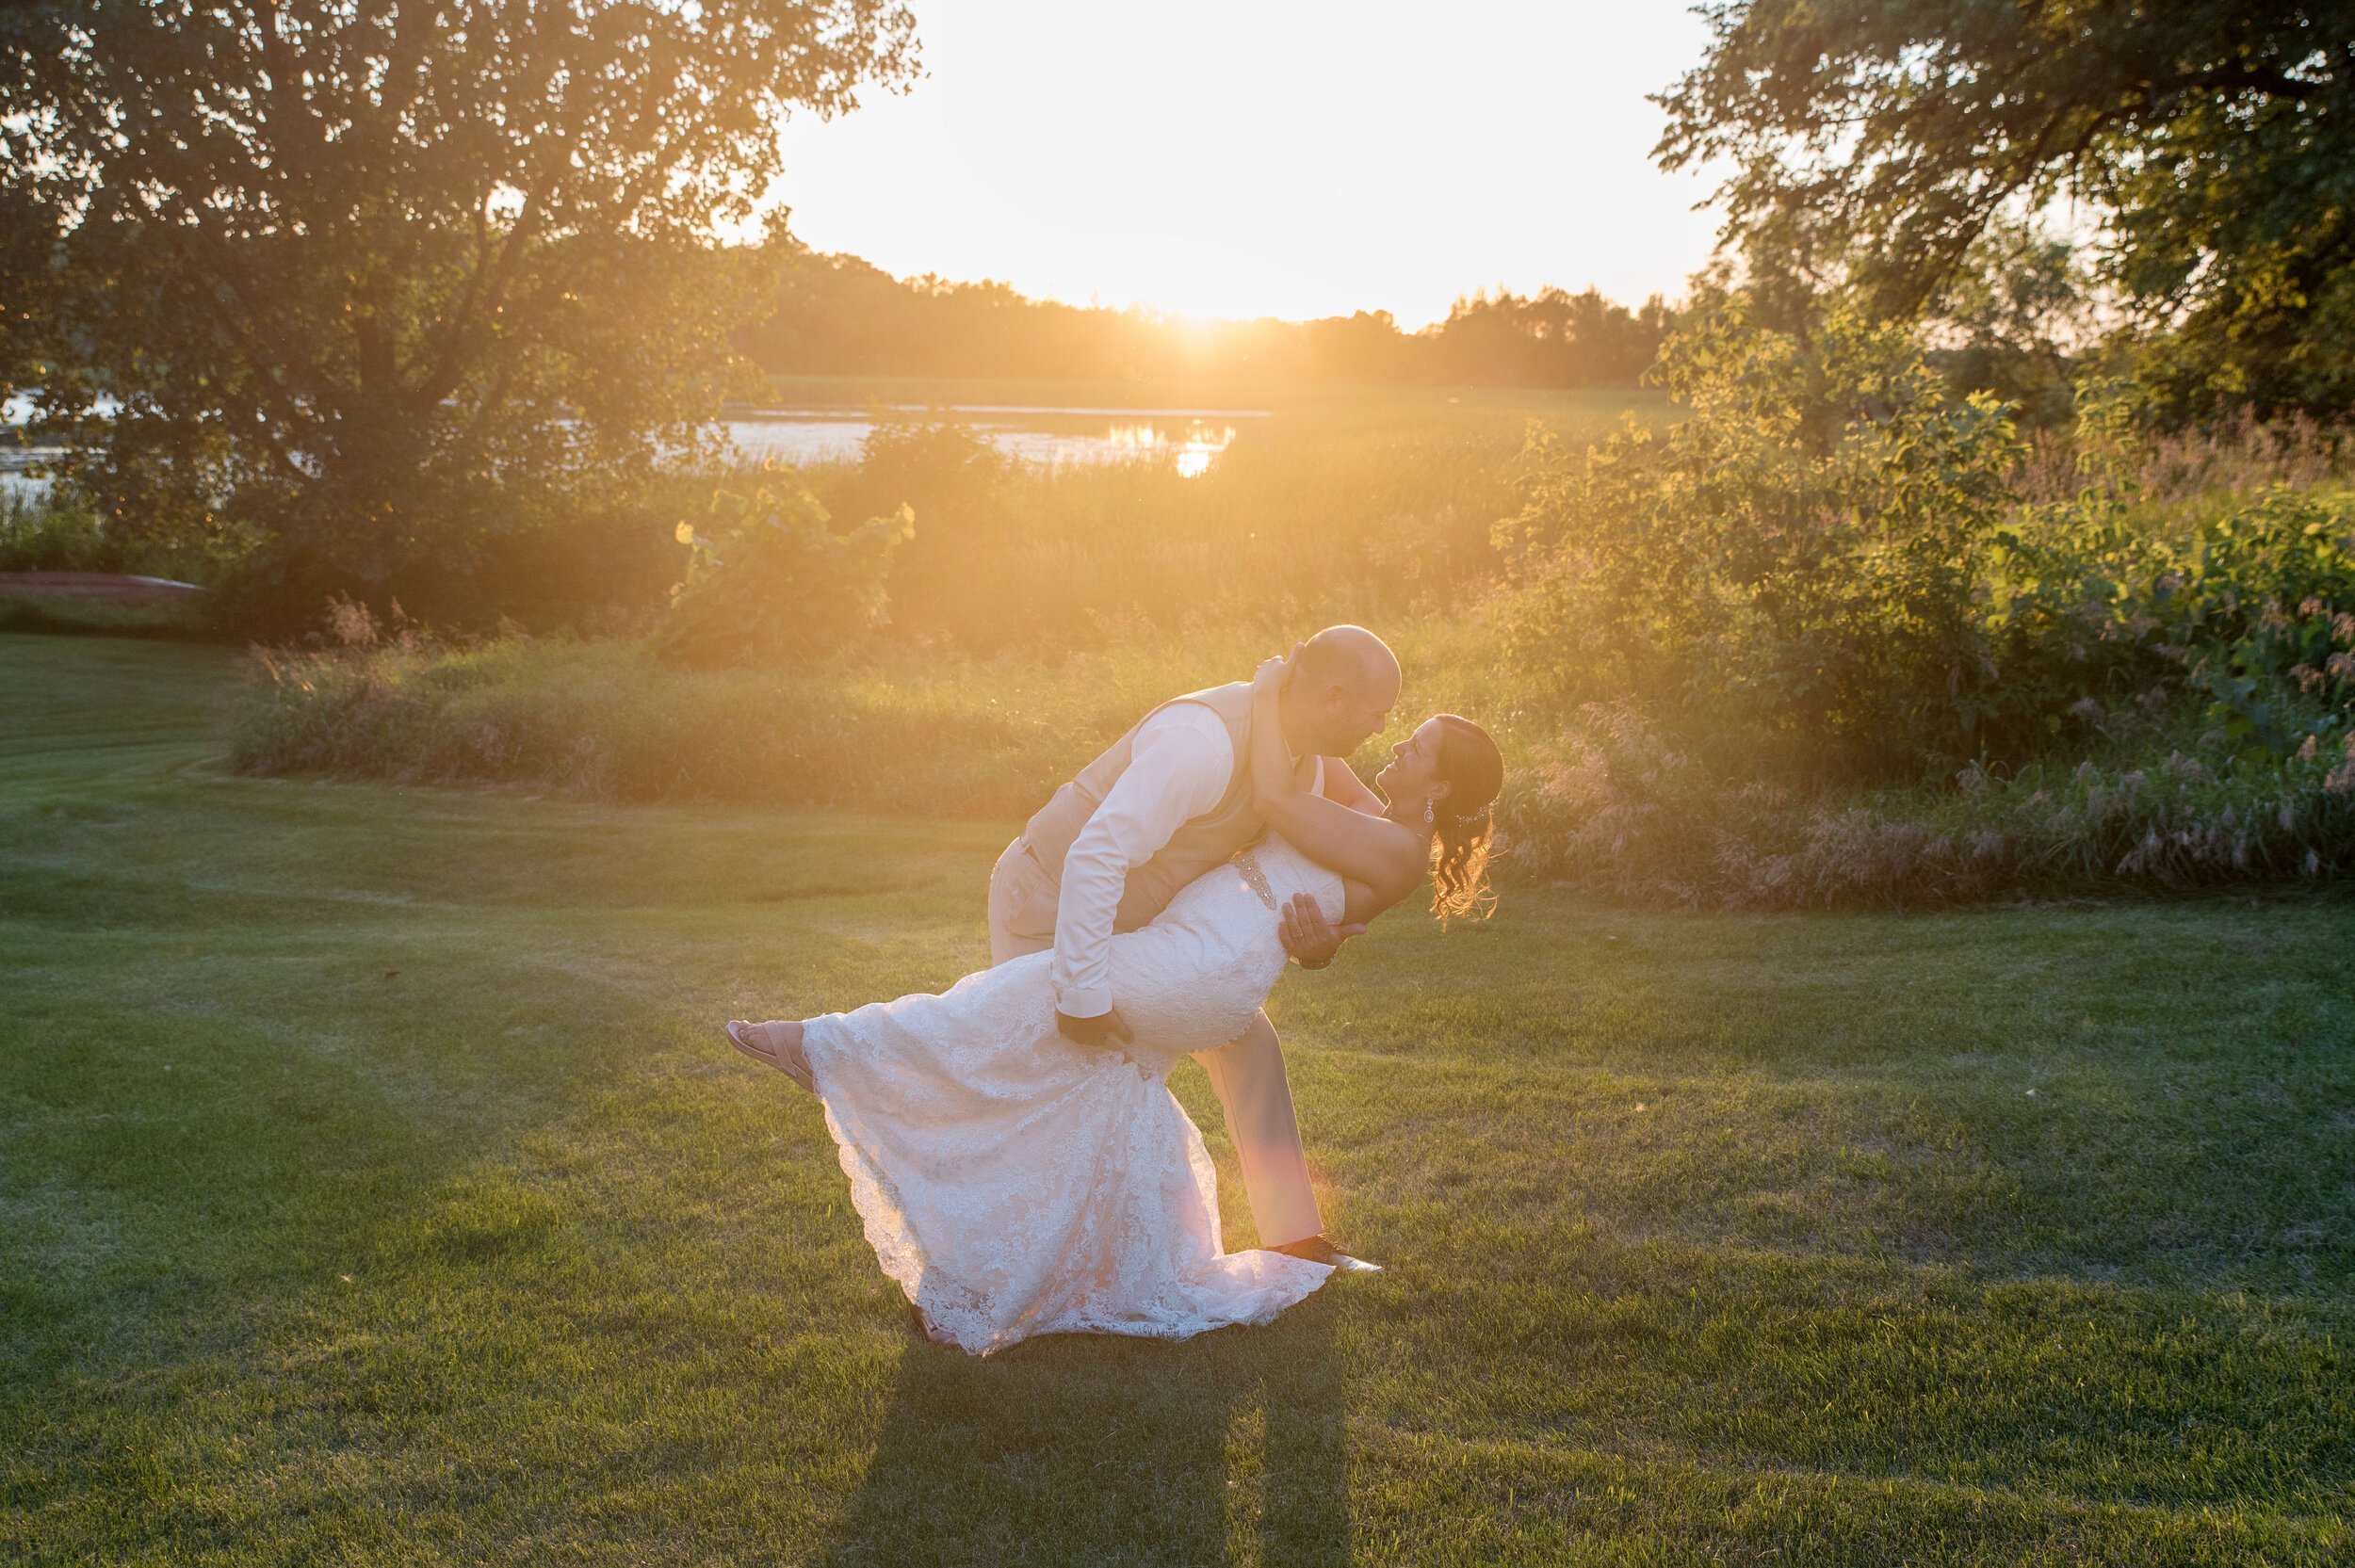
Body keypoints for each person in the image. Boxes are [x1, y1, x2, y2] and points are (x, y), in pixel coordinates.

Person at [726, 653, 1505, 1354]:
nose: (1390, 736)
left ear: (1438, 788)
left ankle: (836, 1052)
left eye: (1414, 743)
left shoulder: (1384, 832)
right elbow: (1307, 811)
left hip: (1201, 961)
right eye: (1385, 719)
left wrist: (1271, 694)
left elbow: (1281, 806)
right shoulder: (1305, 769)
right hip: (1098, 909)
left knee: (1048, 1020)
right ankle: (1010, 1261)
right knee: (1070, 1075)